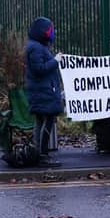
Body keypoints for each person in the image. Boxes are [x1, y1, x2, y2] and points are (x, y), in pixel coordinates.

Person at [25, 16, 63, 168]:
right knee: (46, 122)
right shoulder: (36, 48)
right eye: (49, 31)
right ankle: (43, 155)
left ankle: (39, 152)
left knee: (41, 121)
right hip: (43, 92)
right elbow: (39, 69)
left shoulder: (35, 46)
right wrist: (56, 60)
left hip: (42, 91)